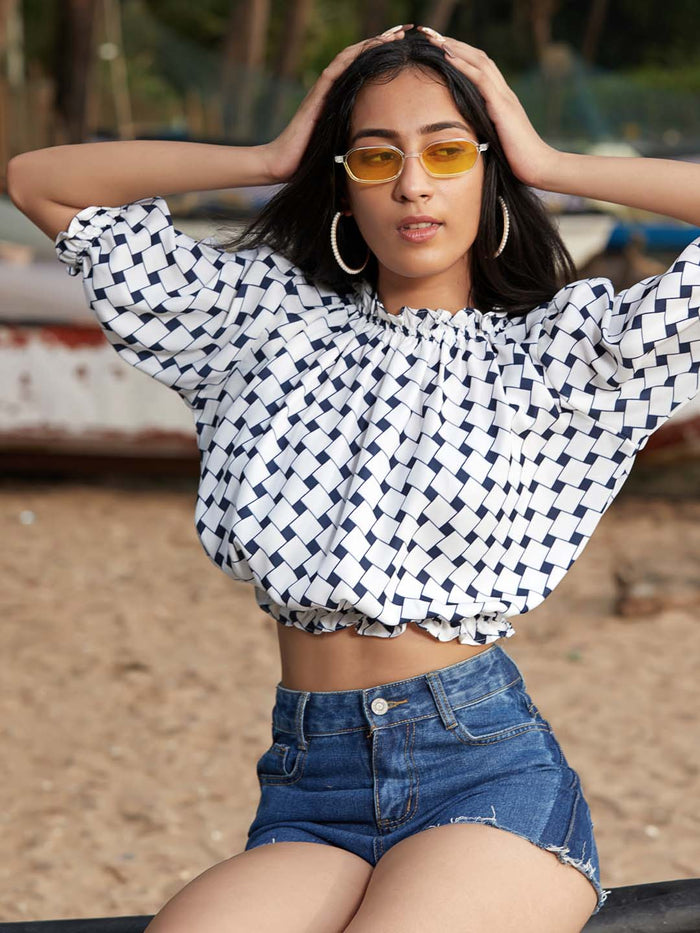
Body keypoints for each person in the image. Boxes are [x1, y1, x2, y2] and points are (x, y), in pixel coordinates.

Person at [8, 22, 700, 933]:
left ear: (488, 175)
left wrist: (547, 159)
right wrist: (270, 153)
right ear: (342, 183)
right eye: (377, 158)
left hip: (482, 772)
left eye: (448, 152)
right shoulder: (261, 324)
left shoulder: (563, 357)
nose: (413, 182)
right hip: (310, 782)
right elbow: (38, 181)